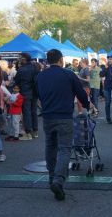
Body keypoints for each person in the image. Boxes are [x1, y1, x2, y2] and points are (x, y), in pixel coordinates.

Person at [36, 49, 90, 201]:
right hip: (64, 116)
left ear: (47, 60)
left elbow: (38, 94)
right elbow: (80, 93)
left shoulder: (40, 76)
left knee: (50, 146)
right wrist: (87, 104)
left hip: (47, 117)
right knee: (64, 149)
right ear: (60, 60)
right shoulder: (68, 74)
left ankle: (51, 177)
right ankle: (58, 180)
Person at [15, 53, 39, 140]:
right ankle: (35, 131)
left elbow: (16, 80)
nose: (19, 59)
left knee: (27, 112)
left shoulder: (21, 69)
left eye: (20, 58)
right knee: (33, 111)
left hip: (25, 92)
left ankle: (28, 133)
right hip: (35, 92)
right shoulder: (35, 67)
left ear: (24, 59)